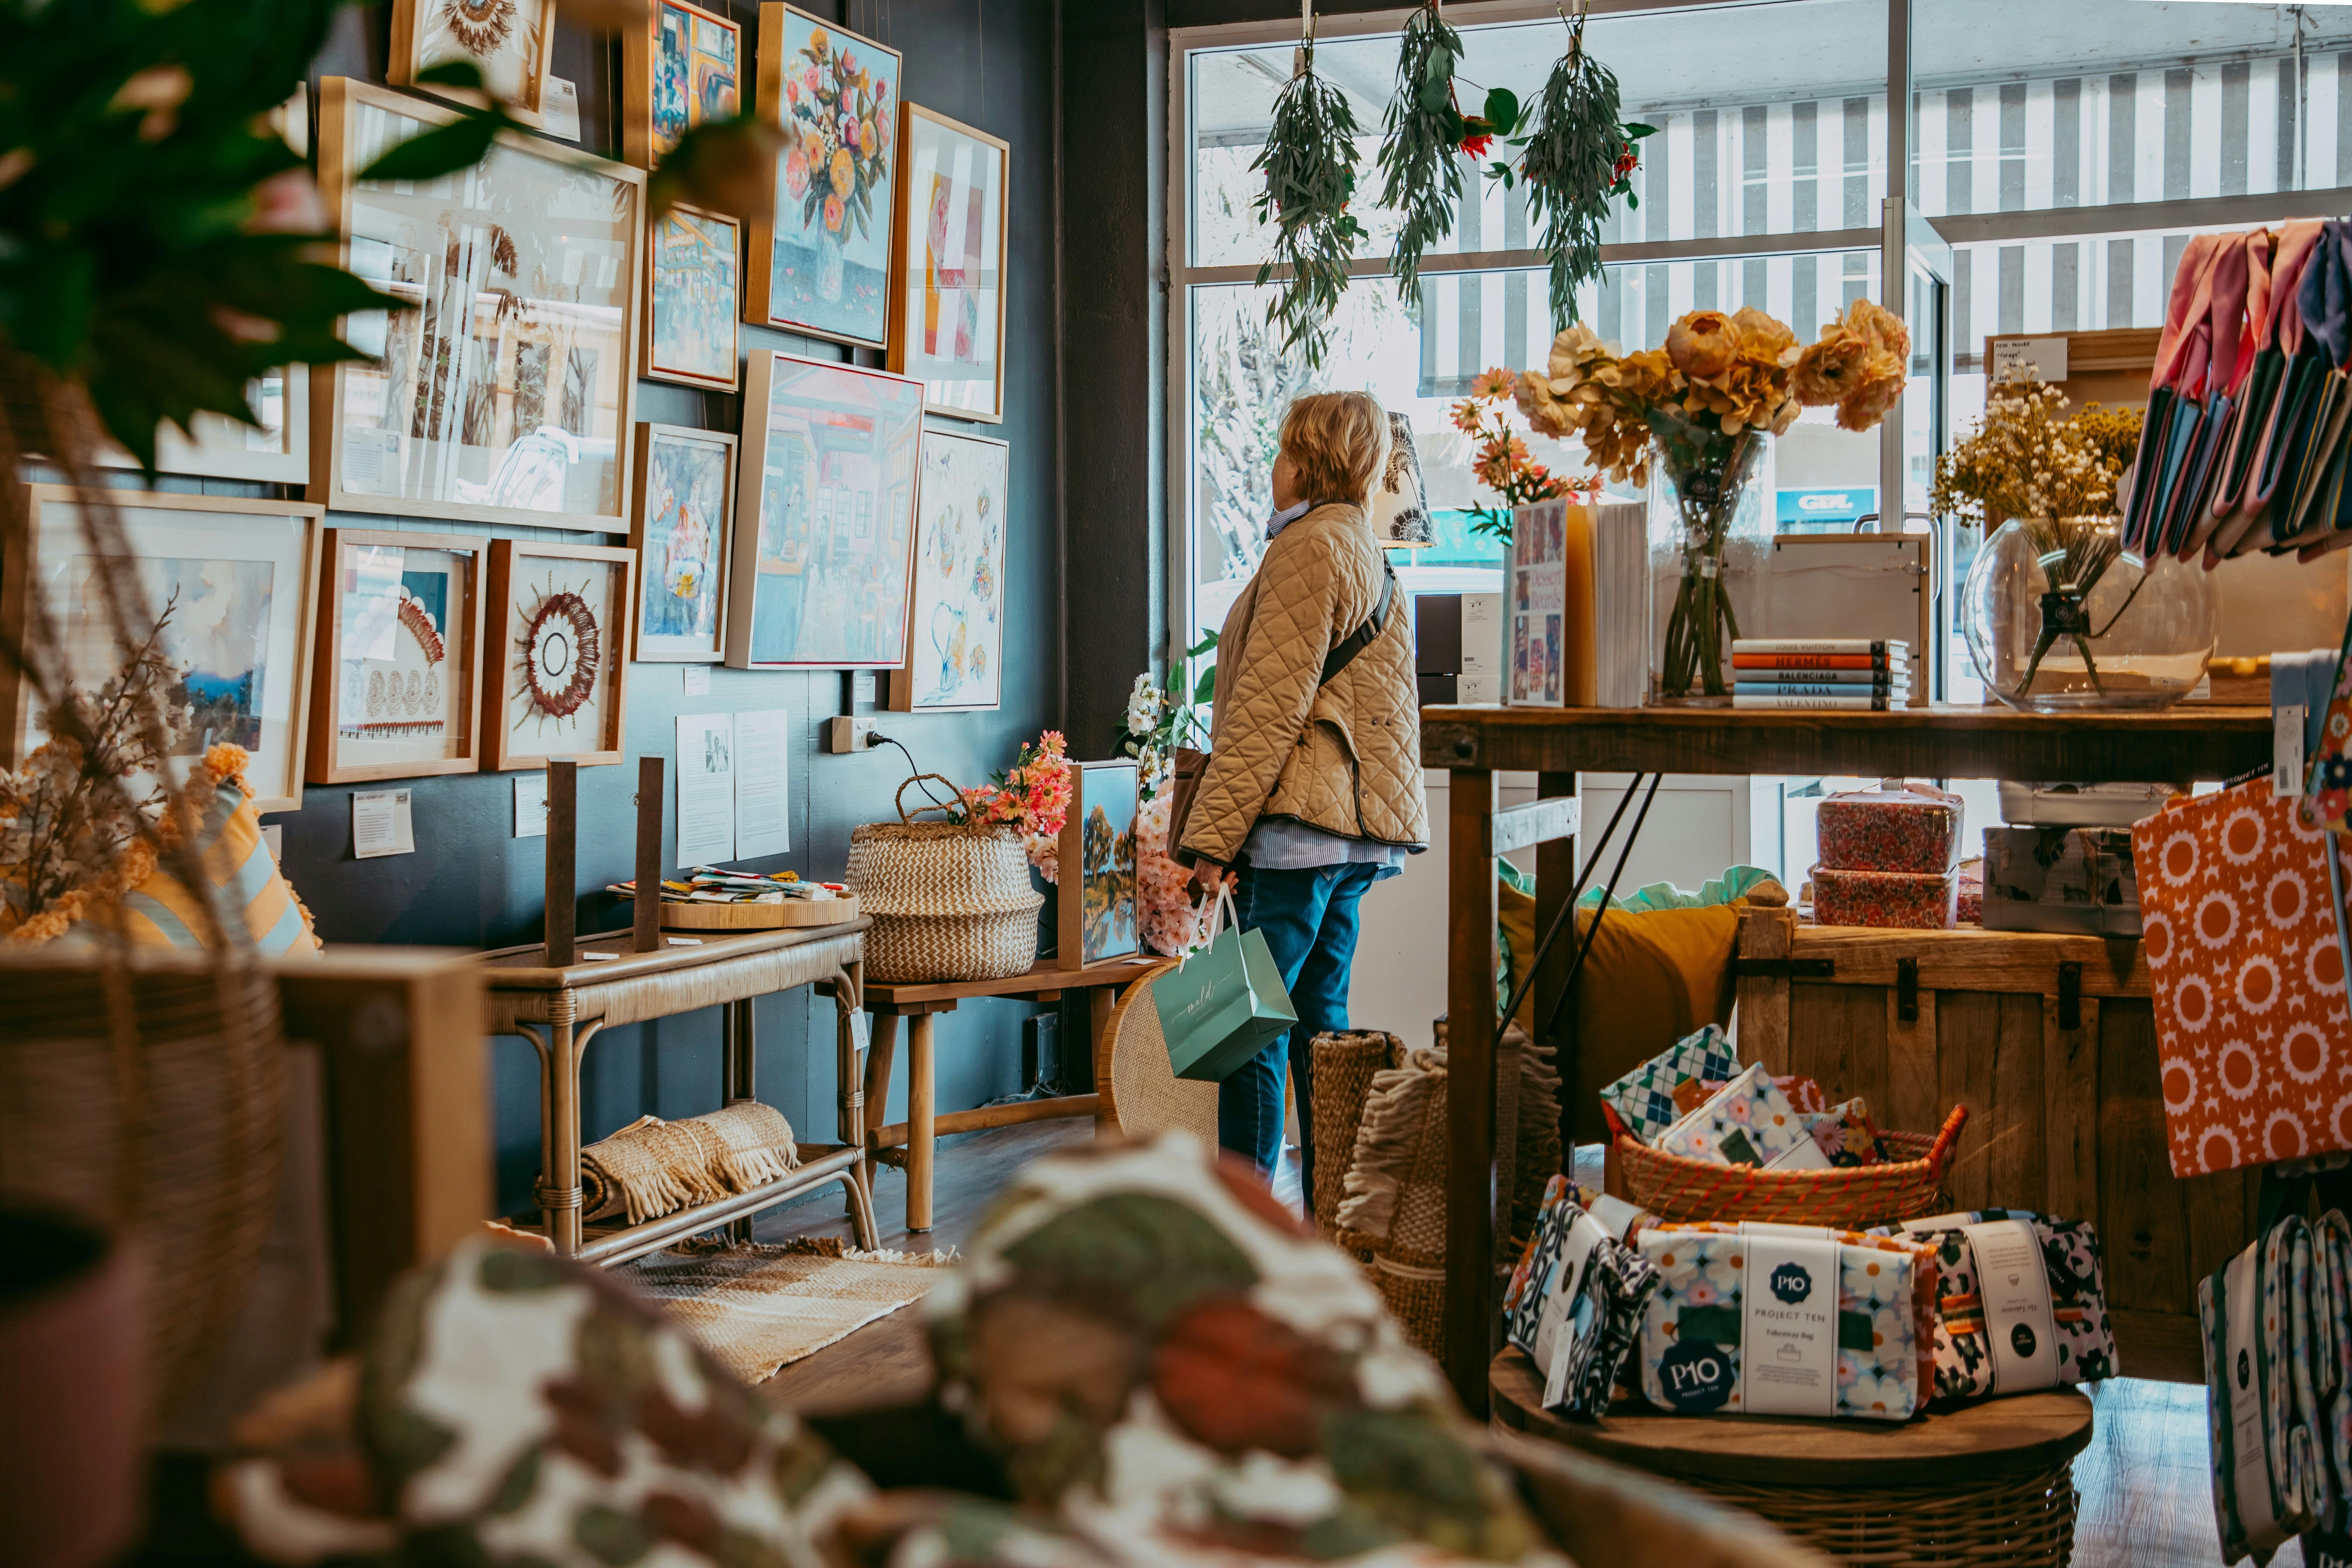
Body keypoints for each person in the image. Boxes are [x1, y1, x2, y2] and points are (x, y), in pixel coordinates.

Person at [1175, 390, 1428, 1202]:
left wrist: (1213, 843)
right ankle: (1332, 1214)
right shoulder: (1365, 550)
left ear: (1311, 460)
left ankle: (1246, 1222)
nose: (1270, 466)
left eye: (1281, 450)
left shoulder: (1307, 550)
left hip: (1295, 833)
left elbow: (1264, 710)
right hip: (1350, 838)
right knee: (1323, 1024)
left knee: (1247, 1028)